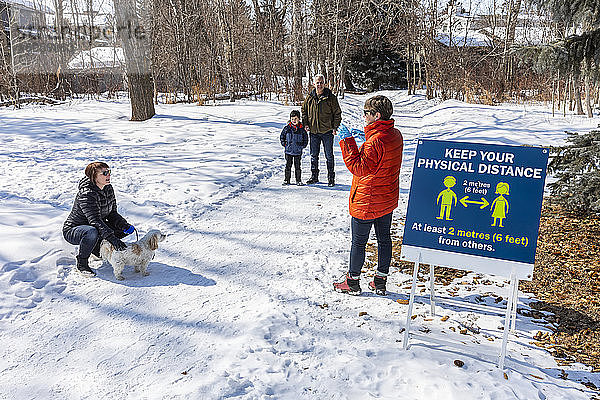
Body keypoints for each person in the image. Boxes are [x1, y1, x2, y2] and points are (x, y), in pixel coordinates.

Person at [333, 95, 404, 296]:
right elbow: (380, 157)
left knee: (359, 243)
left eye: (367, 113)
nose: (364, 116)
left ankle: (352, 282)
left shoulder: (375, 142)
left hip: (367, 200)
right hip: (386, 198)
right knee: (384, 239)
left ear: (377, 115)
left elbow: (359, 167)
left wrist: (347, 142)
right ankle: (380, 281)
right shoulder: (395, 135)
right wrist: (366, 140)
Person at [63, 162, 135, 277]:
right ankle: (82, 263)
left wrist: (124, 225)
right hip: (74, 230)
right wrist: (112, 239)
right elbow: (95, 220)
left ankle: (96, 249)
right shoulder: (86, 194)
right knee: (92, 232)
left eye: (109, 172)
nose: (108, 175)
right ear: (94, 176)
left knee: (121, 229)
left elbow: (112, 214)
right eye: (104, 173)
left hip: (95, 227)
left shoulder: (108, 188)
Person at [301, 74, 342, 186]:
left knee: (329, 155)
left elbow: (337, 113)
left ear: (324, 83)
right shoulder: (310, 97)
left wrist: (335, 127)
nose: (319, 85)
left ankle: (331, 178)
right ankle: (314, 176)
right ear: (314, 84)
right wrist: (305, 124)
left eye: (321, 82)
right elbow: (304, 111)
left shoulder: (331, 97)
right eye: (317, 82)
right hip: (314, 132)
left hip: (327, 131)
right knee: (314, 155)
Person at [280, 110, 309, 186]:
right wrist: (284, 144)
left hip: (297, 151)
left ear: (299, 119)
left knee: (297, 167)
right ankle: (287, 180)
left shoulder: (302, 129)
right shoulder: (287, 128)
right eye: (292, 119)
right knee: (288, 166)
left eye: (296, 119)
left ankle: (298, 180)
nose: (294, 121)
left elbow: (305, 139)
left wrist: (302, 146)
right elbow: (282, 136)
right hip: (288, 151)